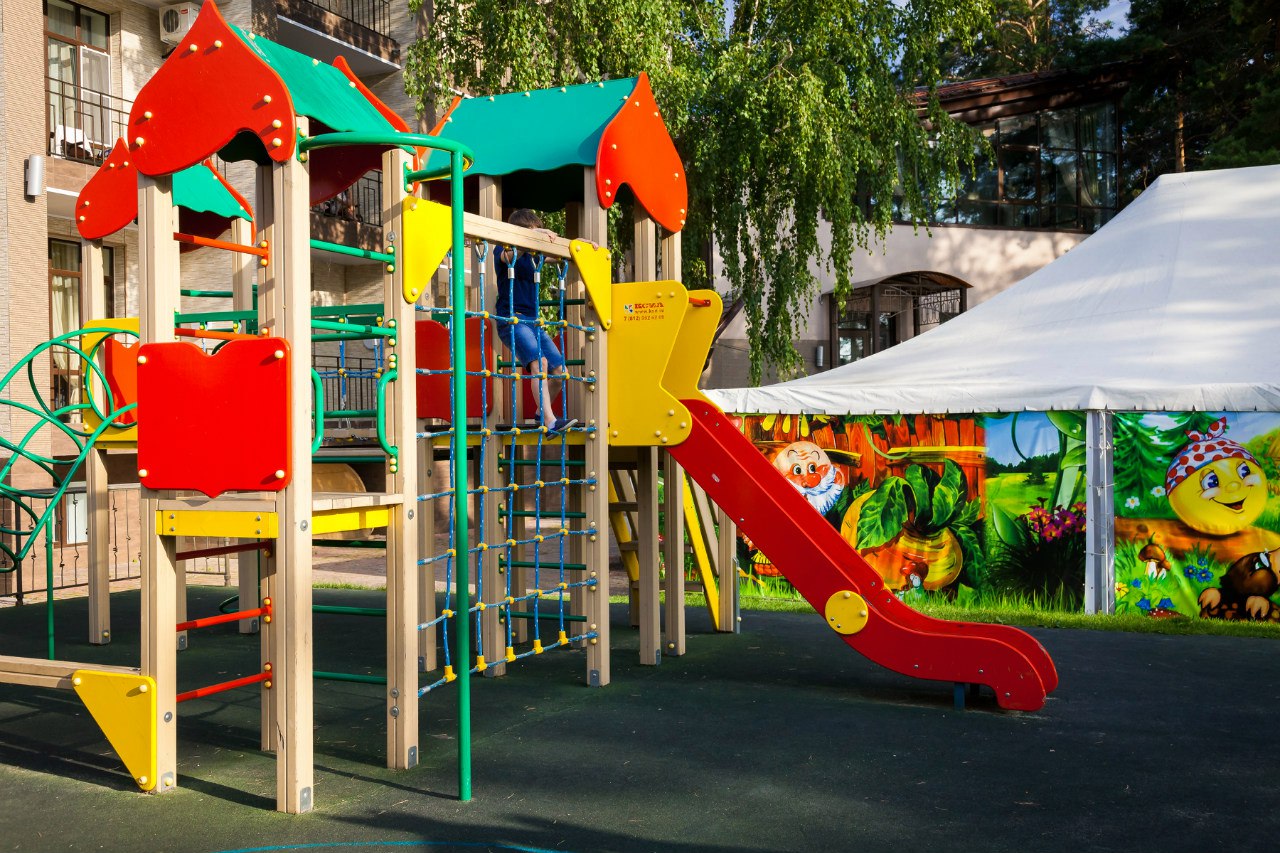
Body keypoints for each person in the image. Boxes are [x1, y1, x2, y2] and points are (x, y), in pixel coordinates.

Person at [493, 209, 577, 432]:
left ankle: (541, 414)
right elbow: (509, 256)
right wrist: (533, 235)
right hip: (512, 319)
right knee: (540, 364)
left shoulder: (533, 257)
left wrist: (580, 245)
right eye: (531, 231)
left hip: (533, 322)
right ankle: (551, 422)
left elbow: (563, 253)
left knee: (559, 373)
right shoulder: (504, 248)